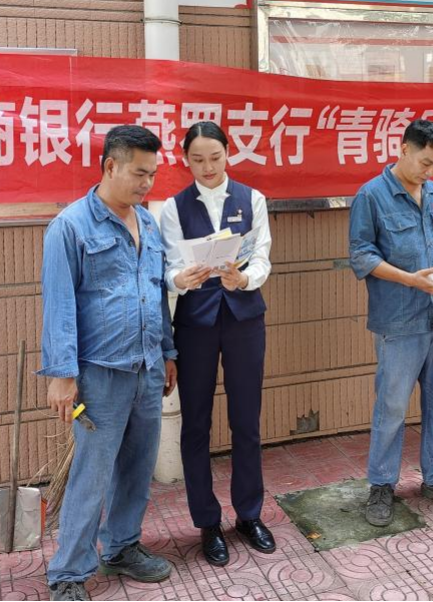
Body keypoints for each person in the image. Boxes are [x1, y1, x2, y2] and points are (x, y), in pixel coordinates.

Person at [38, 125, 179, 602]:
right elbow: (59, 305)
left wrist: (167, 352)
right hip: (99, 374)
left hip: (147, 368)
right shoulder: (70, 227)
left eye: (152, 174)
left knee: (137, 469)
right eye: (139, 173)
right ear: (110, 166)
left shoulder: (148, 224)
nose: (147, 183)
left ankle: (121, 547)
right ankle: (68, 573)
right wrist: (62, 376)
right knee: (92, 475)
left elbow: (155, 293)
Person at [348, 119, 433, 527]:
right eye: (425, 163)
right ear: (404, 149)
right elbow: (362, 255)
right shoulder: (371, 195)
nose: (430, 172)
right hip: (399, 320)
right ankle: (382, 485)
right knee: (392, 406)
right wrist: (410, 280)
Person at [160, 121, 276, 566]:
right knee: (196, 424)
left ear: (229, 153)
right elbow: (169, 266)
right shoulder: (173, 208)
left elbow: (262, 254)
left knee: (247, 419)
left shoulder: (252, 199)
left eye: (215, 157)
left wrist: (244, 279)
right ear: (185, 160)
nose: (207, 167)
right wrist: (182, 278)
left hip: (244, 317)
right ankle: (207, 521)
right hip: (196, 323)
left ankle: (249, 513)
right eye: (197, 159)